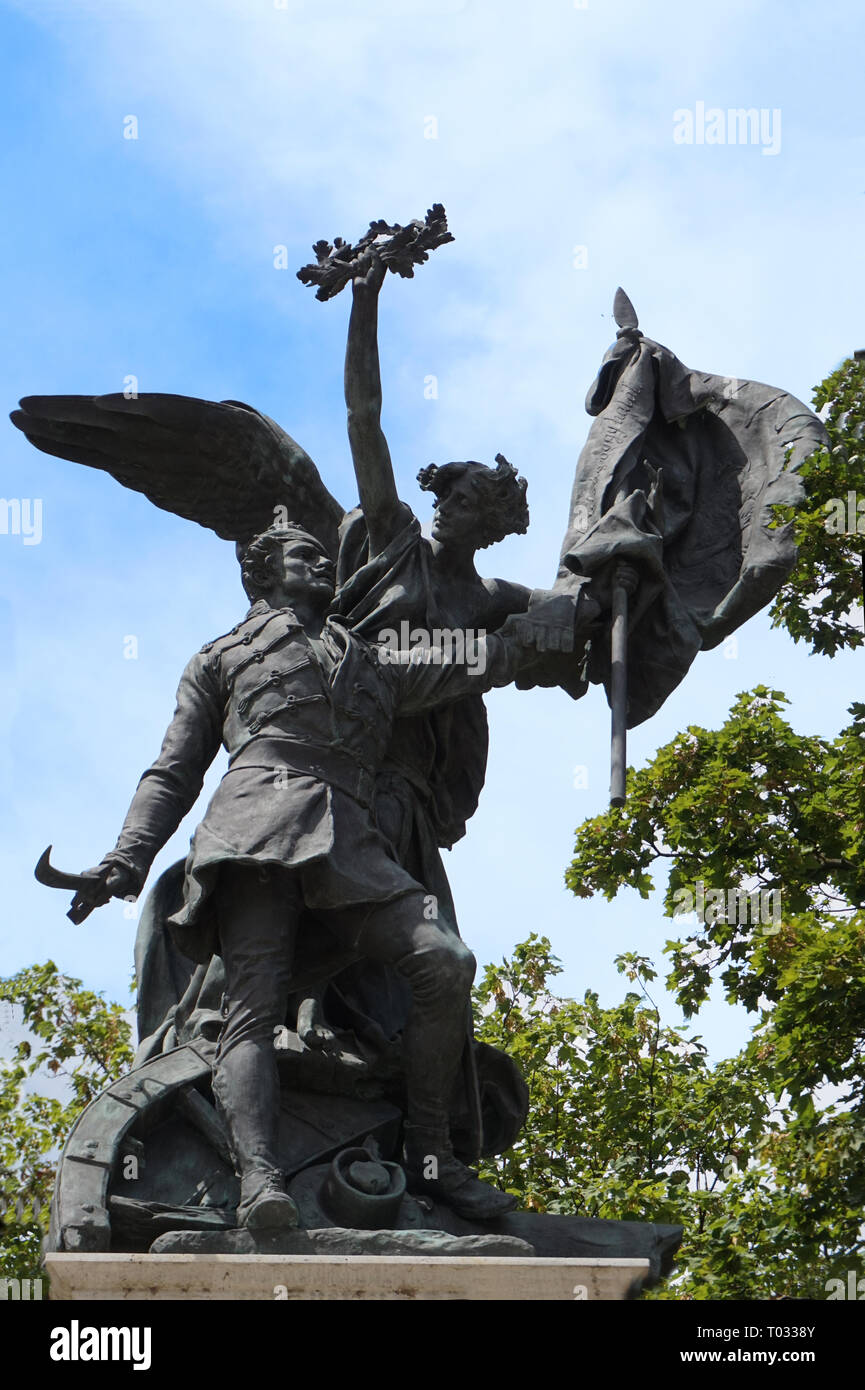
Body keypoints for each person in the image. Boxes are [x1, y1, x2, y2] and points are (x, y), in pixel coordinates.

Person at [86, 522, 596, 1229]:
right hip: (253, 836)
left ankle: (429, 1153)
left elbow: (475, 660)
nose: (323, 563)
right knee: (251, 1014)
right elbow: (172, 770)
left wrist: (555, 623)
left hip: (351, 846)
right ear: (261, 574)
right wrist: (127, 856)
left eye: (324, 557)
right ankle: (261, 1181)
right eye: (304, 556)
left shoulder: (371, 658)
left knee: (443, 962)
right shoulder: (220, 658)